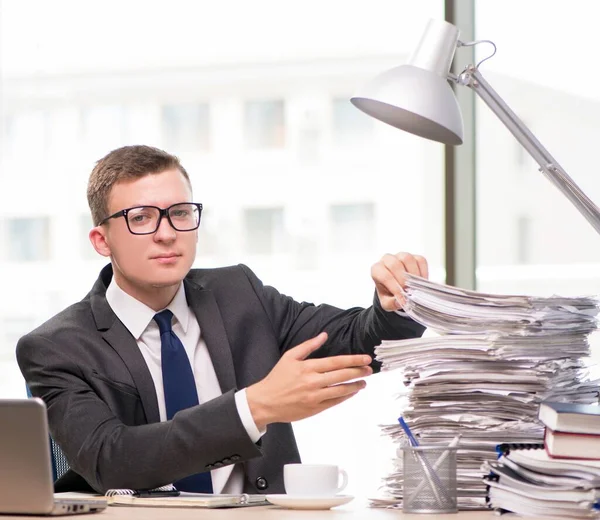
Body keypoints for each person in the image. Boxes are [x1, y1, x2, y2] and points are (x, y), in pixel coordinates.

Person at [16, 145, 428, 495]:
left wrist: (395, 306)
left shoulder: (238, 294)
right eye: (140, 217)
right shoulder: (55, 347)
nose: (166, 233)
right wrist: (254, 407)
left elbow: (358, 340)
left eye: (179, 212)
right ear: (101, 240)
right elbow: (111, 459)